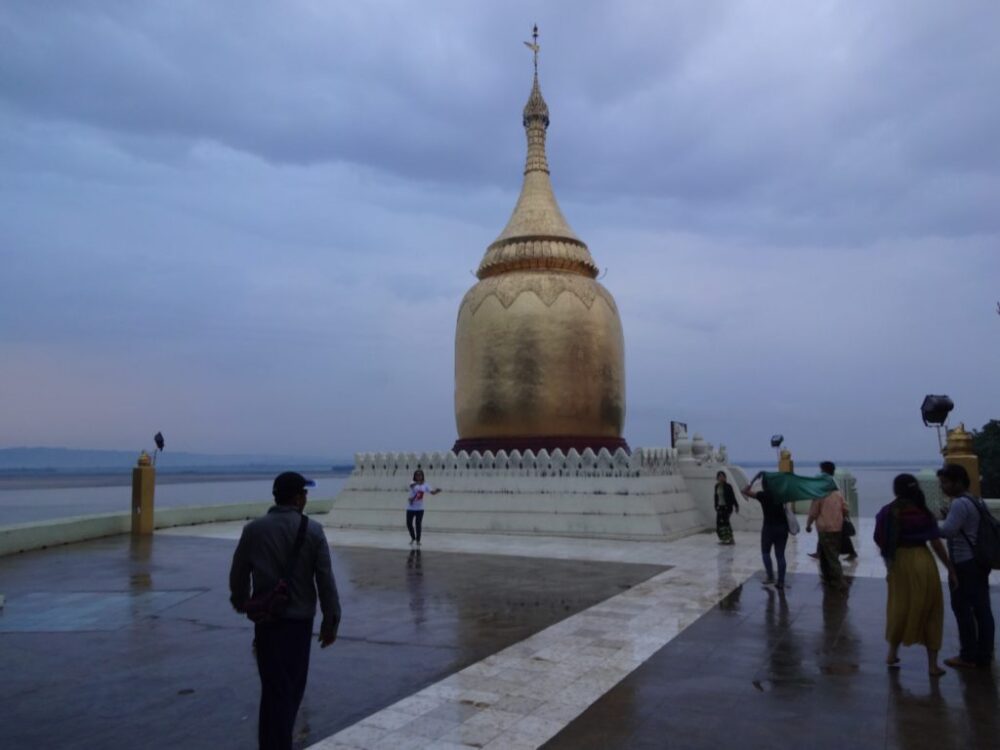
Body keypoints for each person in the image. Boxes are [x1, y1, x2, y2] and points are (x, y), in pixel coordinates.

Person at [230, 471, 342, 750]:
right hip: (299, 623)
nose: (306, 498)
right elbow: (325, 580)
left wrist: (242, 601)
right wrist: (331, 622)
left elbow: (239, 574)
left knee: (273, 689)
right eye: (304, 493)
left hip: (267, 621)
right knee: (290, 689)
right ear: (296, 497)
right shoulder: (313, 531)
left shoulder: (254, 530)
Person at [874, 474, 956, 677]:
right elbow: (936, 543)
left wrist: (891, 558)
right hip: (922, 561)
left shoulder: (886, 512)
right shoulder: (922, 512)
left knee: (898, 606)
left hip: (898, 564)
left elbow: (879, 538)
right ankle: (932, 665)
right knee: (931, 608)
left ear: (896, 490)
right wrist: (951, 569)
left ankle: (892, 653)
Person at [937, 463, 995, 669]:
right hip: (978, 562)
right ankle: (984, 654)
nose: (943, 487)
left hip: (965, 563)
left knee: (963, 609)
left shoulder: (960, 504)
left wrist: (928, 526)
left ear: (958, 482)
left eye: (945, 482)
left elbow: (949, 532)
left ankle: (968, 655)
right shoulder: (976, 500)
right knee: (982, 609)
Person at [742, 476, 789, 589]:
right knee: (780, 555)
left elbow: (744, 491)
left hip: (769, 528)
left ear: (764, 485)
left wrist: (753, 480)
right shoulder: (781, 494)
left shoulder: (763, 495)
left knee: (765, 552)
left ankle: (770, 576)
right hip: (782, 527)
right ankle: (781, 581)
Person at [807, 462, 857, 561]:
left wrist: (808, 524)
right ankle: (820, 553)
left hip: (825, 525)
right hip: (837, 523)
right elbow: (845, 507)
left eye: (821, 470)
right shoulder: (836, 488)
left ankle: (846, 555)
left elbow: (813, 512)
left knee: (833, 550)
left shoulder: (821, 491)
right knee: (837, 538)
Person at [806, 482, 848, 591]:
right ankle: (828, 578)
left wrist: (808, 525)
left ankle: (839, 581)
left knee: (831, 557)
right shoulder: (838, 494)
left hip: (825, 530)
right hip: (837, 529)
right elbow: (845, 509)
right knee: (825, 554)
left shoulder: (819, 495)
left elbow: (813, 513)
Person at [407, 469, 441, 546]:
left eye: (420, 475)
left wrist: (437, 491)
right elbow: (412, 486)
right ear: (414, 476)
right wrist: (419, 483)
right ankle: (413, 537)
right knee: (409, 524)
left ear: (422, 476)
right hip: (410, 507)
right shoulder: (413, 482)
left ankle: (418, 540)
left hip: (420, 508)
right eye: (417, 475)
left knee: (418, 524)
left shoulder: (425, 485)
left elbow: (432, 492)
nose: (418, 476)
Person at [713, 470, 739, 545]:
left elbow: (733, 497)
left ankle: (731, 539)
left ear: (725, 477)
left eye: (723, 476)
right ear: (717, 478)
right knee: (719, 524)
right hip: (719, 507)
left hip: (727, 507)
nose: (721, 478)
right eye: (720, 476)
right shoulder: (716, 486)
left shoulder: (728, 486)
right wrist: (715, 506)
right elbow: (716, 496)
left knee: (726, 523)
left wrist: (736, 506)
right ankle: (724, 539)